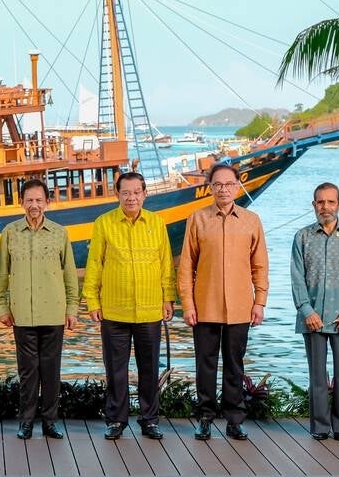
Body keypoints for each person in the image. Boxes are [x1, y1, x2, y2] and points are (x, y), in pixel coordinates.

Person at [178, 163, 268, 441]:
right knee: (205, 364)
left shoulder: (251, 220)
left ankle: (234, 420)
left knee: (234, 363)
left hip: (241, 306)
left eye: (229, 184)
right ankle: (204, 418)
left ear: (237, 186)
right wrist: (188, 304)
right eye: (217, 184)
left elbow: (260, 265)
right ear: (210, 188)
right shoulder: (197, 219)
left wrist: (259, 301)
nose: (223, 189)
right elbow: (186, 266)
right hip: (205, 304)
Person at [84, 172, 175, 441]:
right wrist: (92, 300)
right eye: (126, 192)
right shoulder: (104, 223)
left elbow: (166, 264)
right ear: (117, 194)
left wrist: (167, 298)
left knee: (149, 368)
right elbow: (95, 265)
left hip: (149, 309)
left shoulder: (157, 223)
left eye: (137, 192)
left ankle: (149, 420)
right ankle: (116, 420)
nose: (131, 197)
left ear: (145, 194)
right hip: (114, 309)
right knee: (116, 368)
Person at [0, 179, 78, 440]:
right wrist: (1, 306)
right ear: (21, 203)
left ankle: (50, 421)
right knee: (28, 370)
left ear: (47, 203)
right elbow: (2, 274)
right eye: (29, 200)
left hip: (53, 311)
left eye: (39, 200)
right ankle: (26, 421)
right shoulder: (10, 232)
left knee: (51, 369)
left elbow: (70, 276)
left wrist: (72, 308)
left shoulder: (60, 233)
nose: (34, 205)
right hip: (22, 314)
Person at [291, 182, 339, 441]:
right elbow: (296, 278)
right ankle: (320, 428)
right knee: (317, 376)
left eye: (330, 202)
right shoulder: (302, 237)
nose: (325, 207)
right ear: (314, 205)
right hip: (311, 318)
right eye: (320, 202)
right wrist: (306, 310)